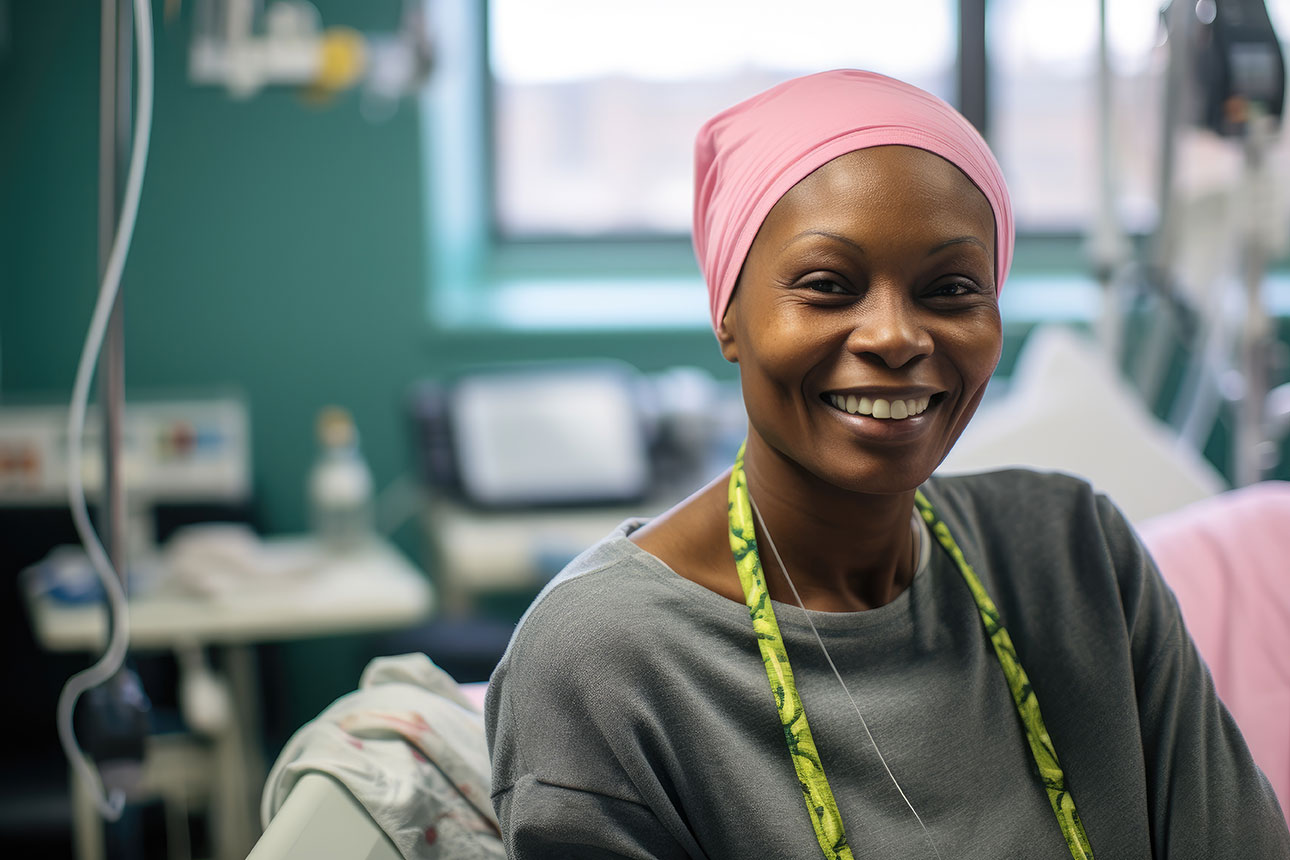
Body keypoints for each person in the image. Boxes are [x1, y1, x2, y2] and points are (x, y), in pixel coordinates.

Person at [484, 70, 1290, 859]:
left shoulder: (1078, 556)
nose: (896, 336)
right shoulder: (605, 661)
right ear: (729, 314)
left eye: (951, 289)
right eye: (829, 286)